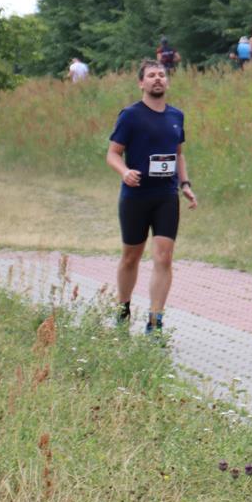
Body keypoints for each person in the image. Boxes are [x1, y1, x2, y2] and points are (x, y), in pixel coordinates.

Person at [106, 59, 197, 335]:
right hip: (136, 196)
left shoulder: (176, 116)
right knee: (130, 257)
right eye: (151, 75)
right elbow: (113, 153)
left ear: (167, 81)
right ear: (141, 83)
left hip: (166, 195)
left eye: (161, 75)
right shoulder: (131, 115)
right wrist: (124, 172)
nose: (157, 79)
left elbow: (178, 154)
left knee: (164, 257)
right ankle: (123, 310)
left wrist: (185, 184)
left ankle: (155, 323)